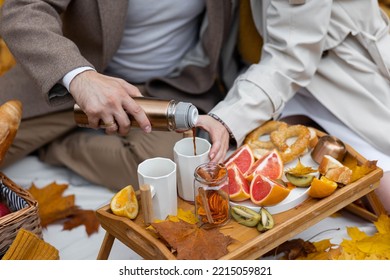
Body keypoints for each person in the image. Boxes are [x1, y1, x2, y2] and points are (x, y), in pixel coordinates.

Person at [0, 0, 233, 189]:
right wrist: (79, 76)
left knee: (163, 169)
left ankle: (53, 145)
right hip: (71, 79)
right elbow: (23, 9)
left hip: (164, 87)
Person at [196, 0, 390, 213]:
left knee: (377, 192)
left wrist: (226, 118)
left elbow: (291, 57)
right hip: (270, 76)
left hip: (341, 78)